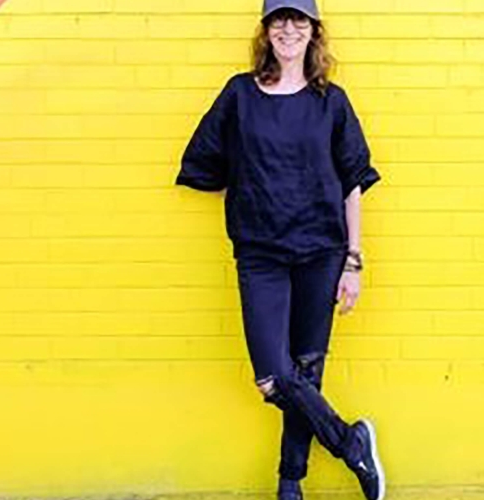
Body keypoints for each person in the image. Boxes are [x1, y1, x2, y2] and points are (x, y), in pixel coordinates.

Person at [174, 1, 385, 499]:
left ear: (314, 32)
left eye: (299, 21)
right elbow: (203, 161)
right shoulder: (239, 95)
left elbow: (353, 181)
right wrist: (249, 191)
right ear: (266, 32)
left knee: (306, 372)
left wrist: (353, 261)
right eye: (279, 20)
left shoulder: (331, 101)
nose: (288, 29)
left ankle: (290, 484)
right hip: (261, 254)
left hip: (321, 251)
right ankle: (350, 441)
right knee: (274, 377)